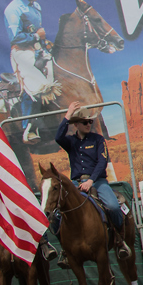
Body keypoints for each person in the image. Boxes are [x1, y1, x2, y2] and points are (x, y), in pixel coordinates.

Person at [53, 101, 131, 260]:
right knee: (56, 215)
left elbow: (102, 162)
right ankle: (65, 249)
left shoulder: (98, 139)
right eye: (85, 122)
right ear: (76, 124)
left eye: (90, 121)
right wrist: (67, 115)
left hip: (98, 181)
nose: (89, 124)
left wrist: (91, 181)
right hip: (75, 183)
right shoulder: (70, 142)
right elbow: (58, 137)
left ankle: (119, 239)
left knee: (113, 206)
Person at [4, 0, 58, 142]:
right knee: (35, 83)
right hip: (21, 52)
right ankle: (29, 128)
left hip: (36, 48)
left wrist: (44, 43)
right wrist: (36, 37)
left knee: (55, 68)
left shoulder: (36, 6)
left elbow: (38, 32)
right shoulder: (13, 8)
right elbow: (14, 36)